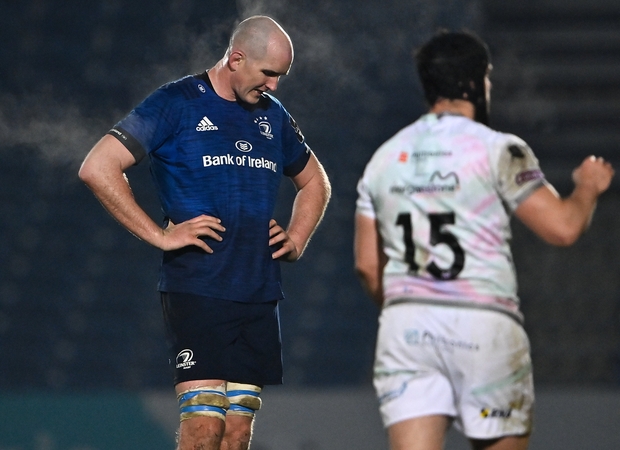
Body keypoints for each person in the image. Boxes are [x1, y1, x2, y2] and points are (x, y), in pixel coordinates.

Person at [79, 15, 331, 450]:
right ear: (236, 58)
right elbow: (98, 167)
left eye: (281, 76)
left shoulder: (273, 115)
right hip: (199, 288)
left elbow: (316, 182)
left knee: (236, 433)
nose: (274, 86)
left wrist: (296, 237)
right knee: (205, 423)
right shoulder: (176, 102)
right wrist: (158, 236)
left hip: (258, 289)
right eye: (268, 73)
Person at [354, 29, 614, 450]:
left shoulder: (383, 159)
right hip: (482, 324)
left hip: (408, 327)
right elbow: (563, 228)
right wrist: (587, 188)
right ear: (476, 82)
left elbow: (368, 265)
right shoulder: (499, 149)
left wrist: (415, 304)